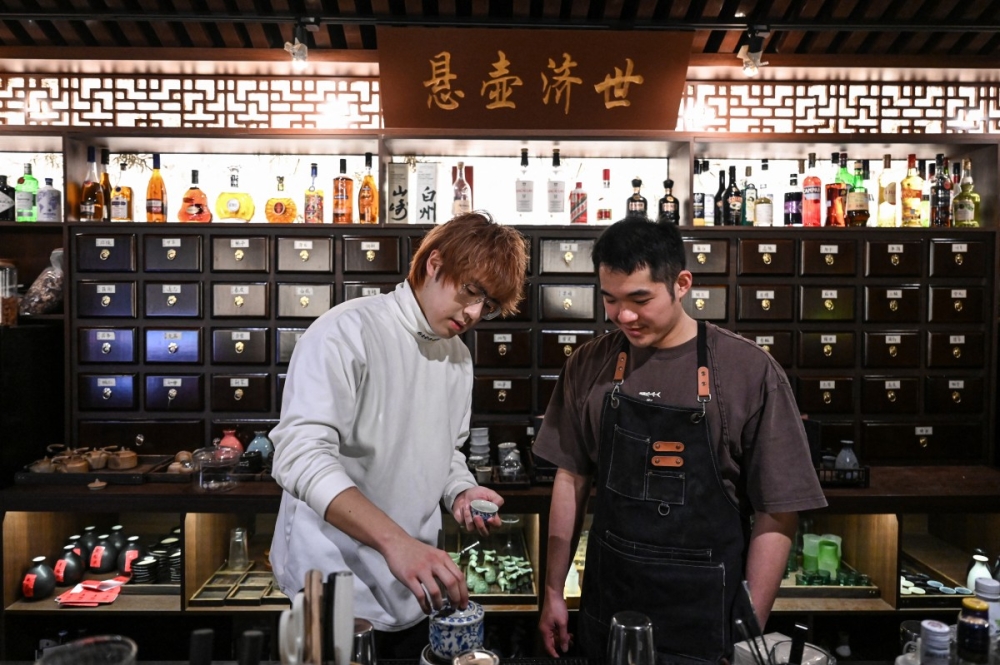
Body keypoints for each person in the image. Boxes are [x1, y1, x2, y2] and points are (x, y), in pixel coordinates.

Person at [535, 218, 827, 664]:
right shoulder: (589, 364)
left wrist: (749, 629)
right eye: (610, 300)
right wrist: (553, 590)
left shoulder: (748, 371)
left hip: (708, 621)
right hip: (610, 606)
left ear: (682, 284)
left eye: (640, 299)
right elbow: (571, 477)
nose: (624, 316)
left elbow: (779, 512)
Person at [270, 212, 529, 653]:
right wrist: (396, 542)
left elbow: (445, 451)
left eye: (487, 306)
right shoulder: (346, 331)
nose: (473, 313)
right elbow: (300, 455)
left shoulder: (458, 359)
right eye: (470, 291)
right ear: (433, 263)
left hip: (413, 586)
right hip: (330, 587)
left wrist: (460, 490)